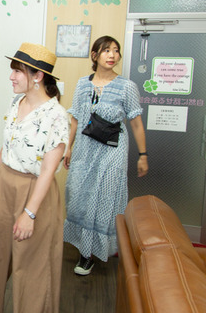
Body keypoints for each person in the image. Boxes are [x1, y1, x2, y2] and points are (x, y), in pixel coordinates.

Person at [0, 43, 69, 313]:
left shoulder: (56, 116)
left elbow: (48, 171)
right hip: (5, 185)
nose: (11, 77)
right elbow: (9, 143)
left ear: (38, 76)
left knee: (32, 267)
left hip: (35, 192)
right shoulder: (16, 103)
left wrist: (29, 214)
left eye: (18, 71)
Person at [63, 35, 148, 276]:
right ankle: (84, 246)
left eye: (116, 50)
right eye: (106, 50)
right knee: (79, 195)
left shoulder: (127, 87)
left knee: (103, 199)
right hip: (84, 150)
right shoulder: (82, 84)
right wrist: (68, 147)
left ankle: (88, 255)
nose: (112, 55)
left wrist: (143, 154)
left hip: (112, 151)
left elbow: (136, 123)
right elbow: (75, 119)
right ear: (95, 55)